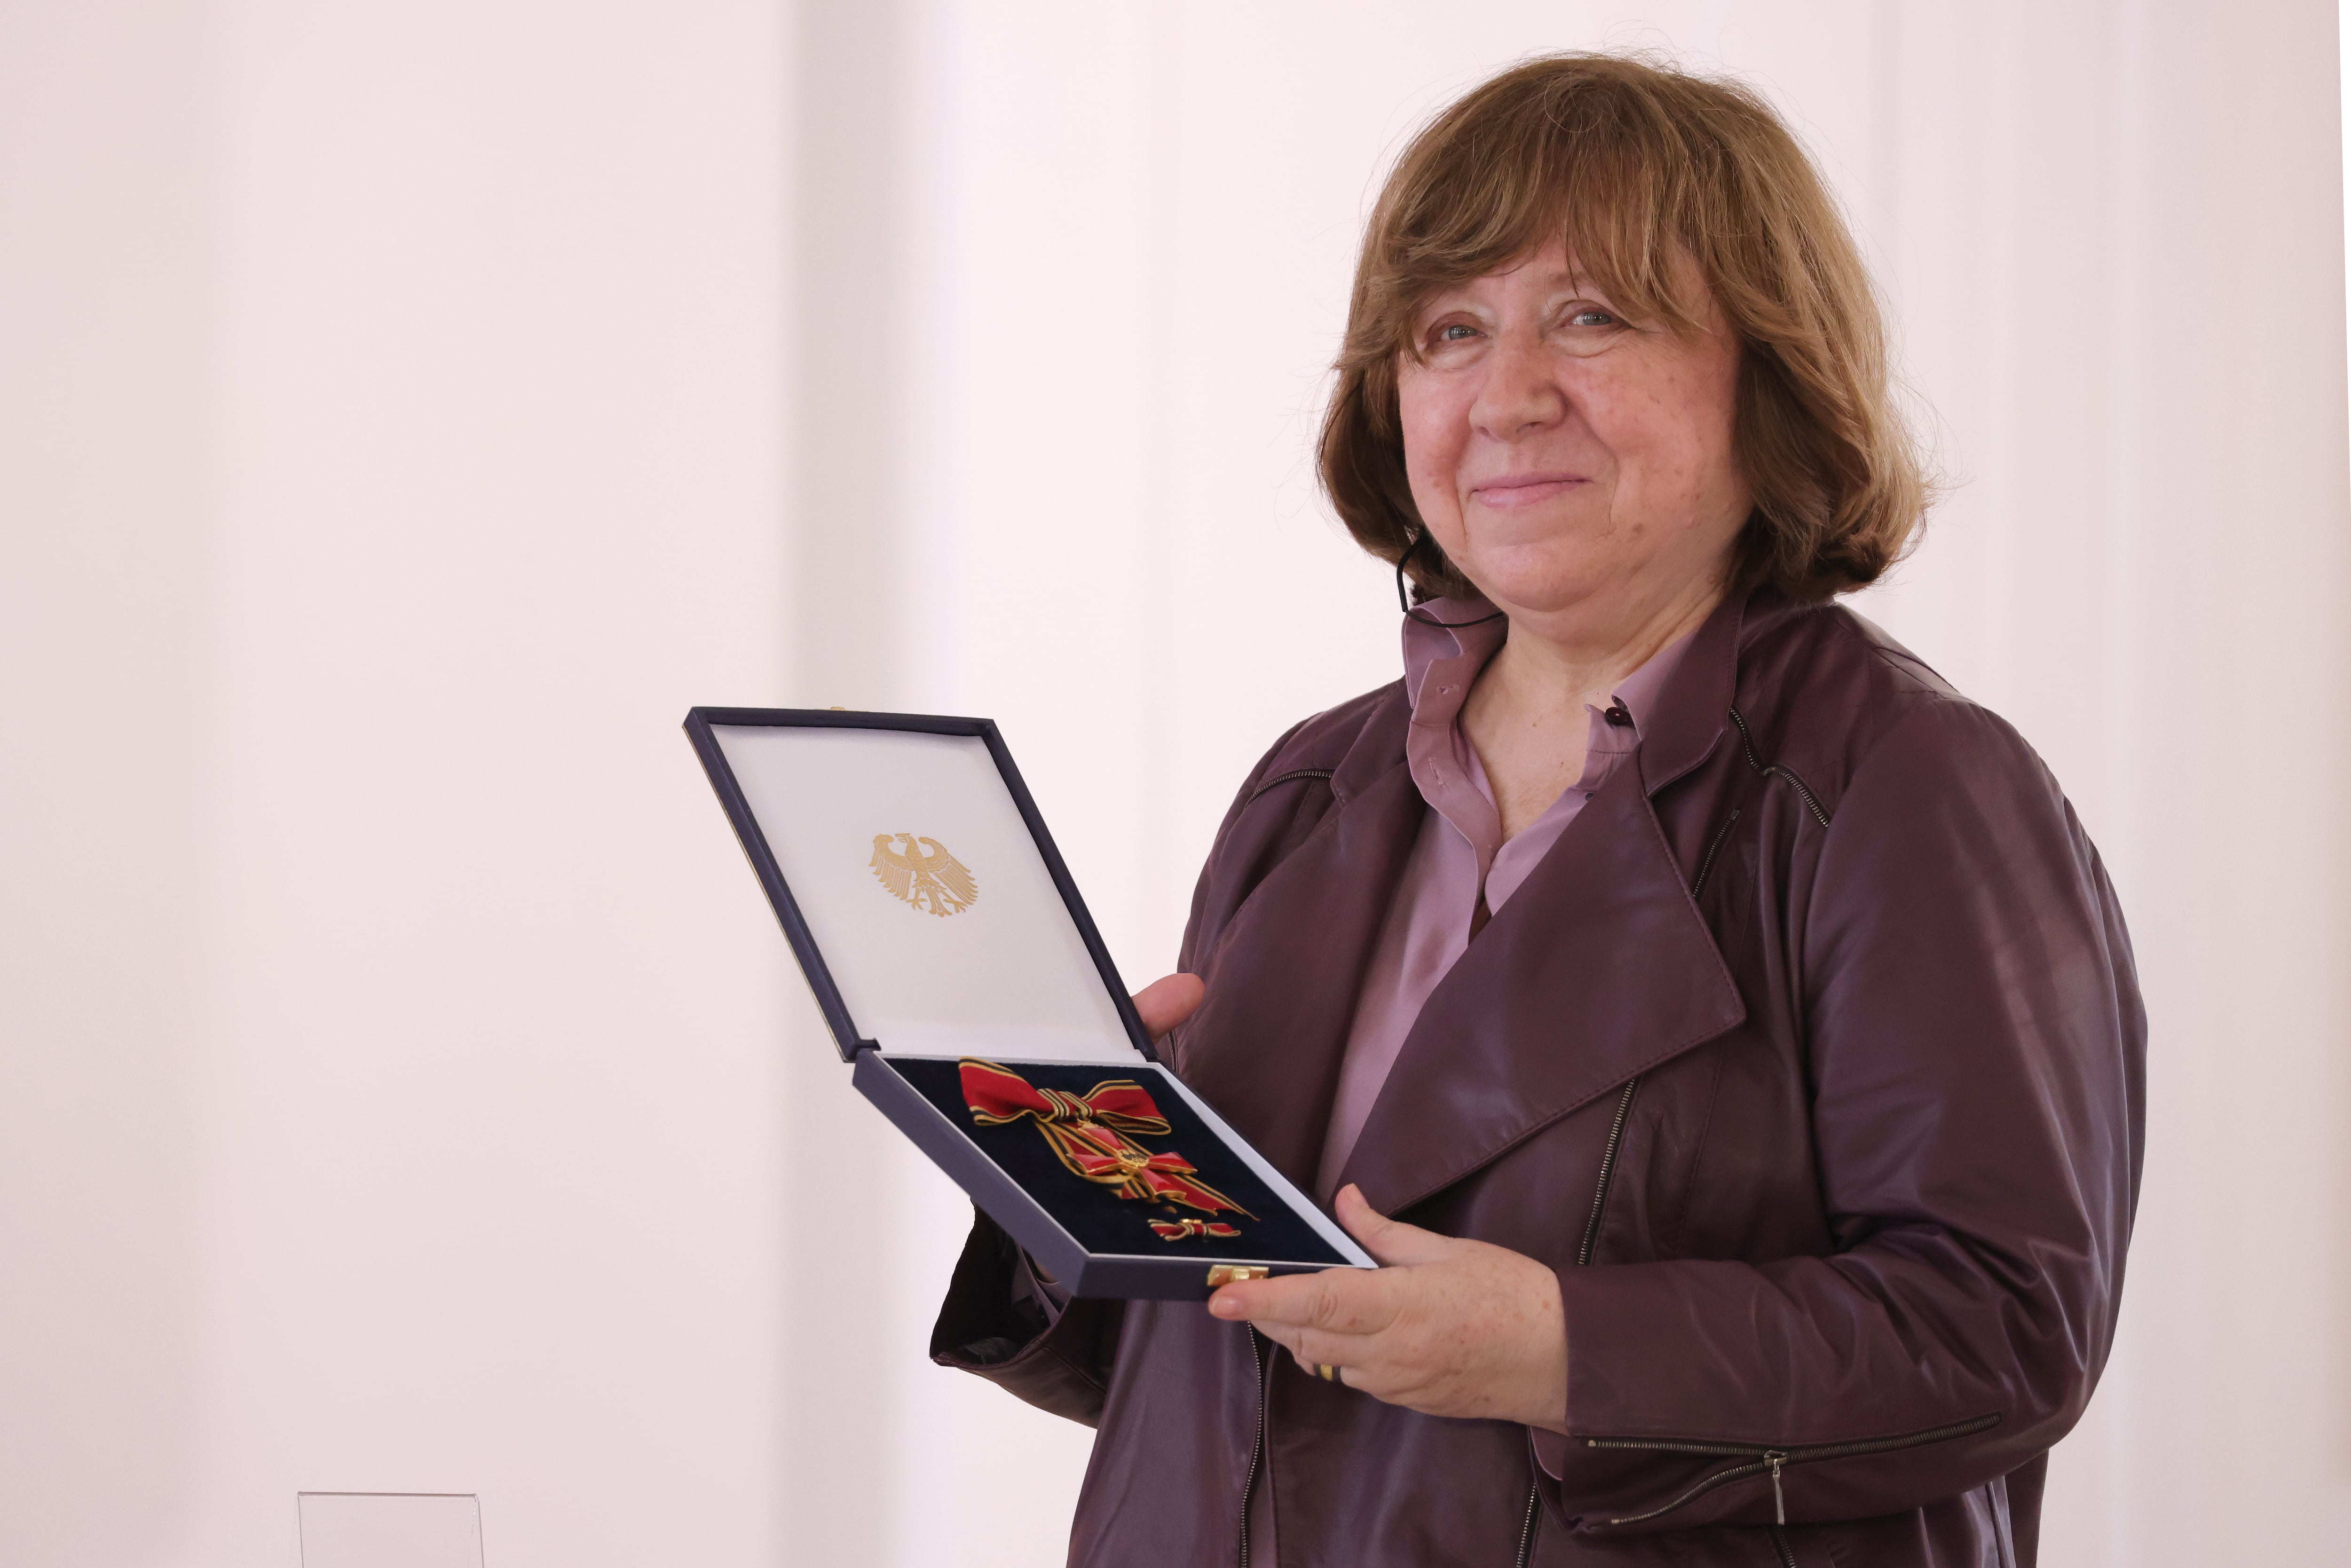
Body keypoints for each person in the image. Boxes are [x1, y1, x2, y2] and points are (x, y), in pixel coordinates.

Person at [931, 52, 2142, 1568]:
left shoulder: (1909, 788)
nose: (1507, 397)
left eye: (1593, 316)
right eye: (1449, 331)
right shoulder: (1314, 788)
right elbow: (1226, 1370)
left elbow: (2006, 1330)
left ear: (1770, 370)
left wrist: (1568, 1348)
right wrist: (1088, 1161)